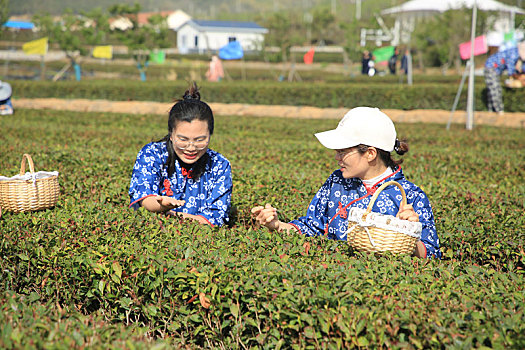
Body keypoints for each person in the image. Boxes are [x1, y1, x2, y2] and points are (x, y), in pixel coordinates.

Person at [251, 107, 441, 259]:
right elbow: (312, 227)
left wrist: (410, 233)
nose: (337, 157)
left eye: (343, 151)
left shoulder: (411, 196)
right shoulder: (336, 181)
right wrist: (276, 225)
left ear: (370, 153)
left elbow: (431, 252)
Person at [129, 82, 232, 227]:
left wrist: (170, 215)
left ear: (210, 135)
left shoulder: (219, 165)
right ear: (171, 134)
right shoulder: (152, 154)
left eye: (200, 140)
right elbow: (145, 200)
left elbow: (216, 219)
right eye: (183, 139)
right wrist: (162, 205)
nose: (191, 147)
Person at [484, 41, 525, 114]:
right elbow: (511, 70)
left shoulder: (517, 55)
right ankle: (498, 110)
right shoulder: (513, 54)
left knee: (494, 89)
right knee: (495, 88)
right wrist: (518, 77)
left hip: (495, 70)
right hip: (491, 67)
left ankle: (491, 109)